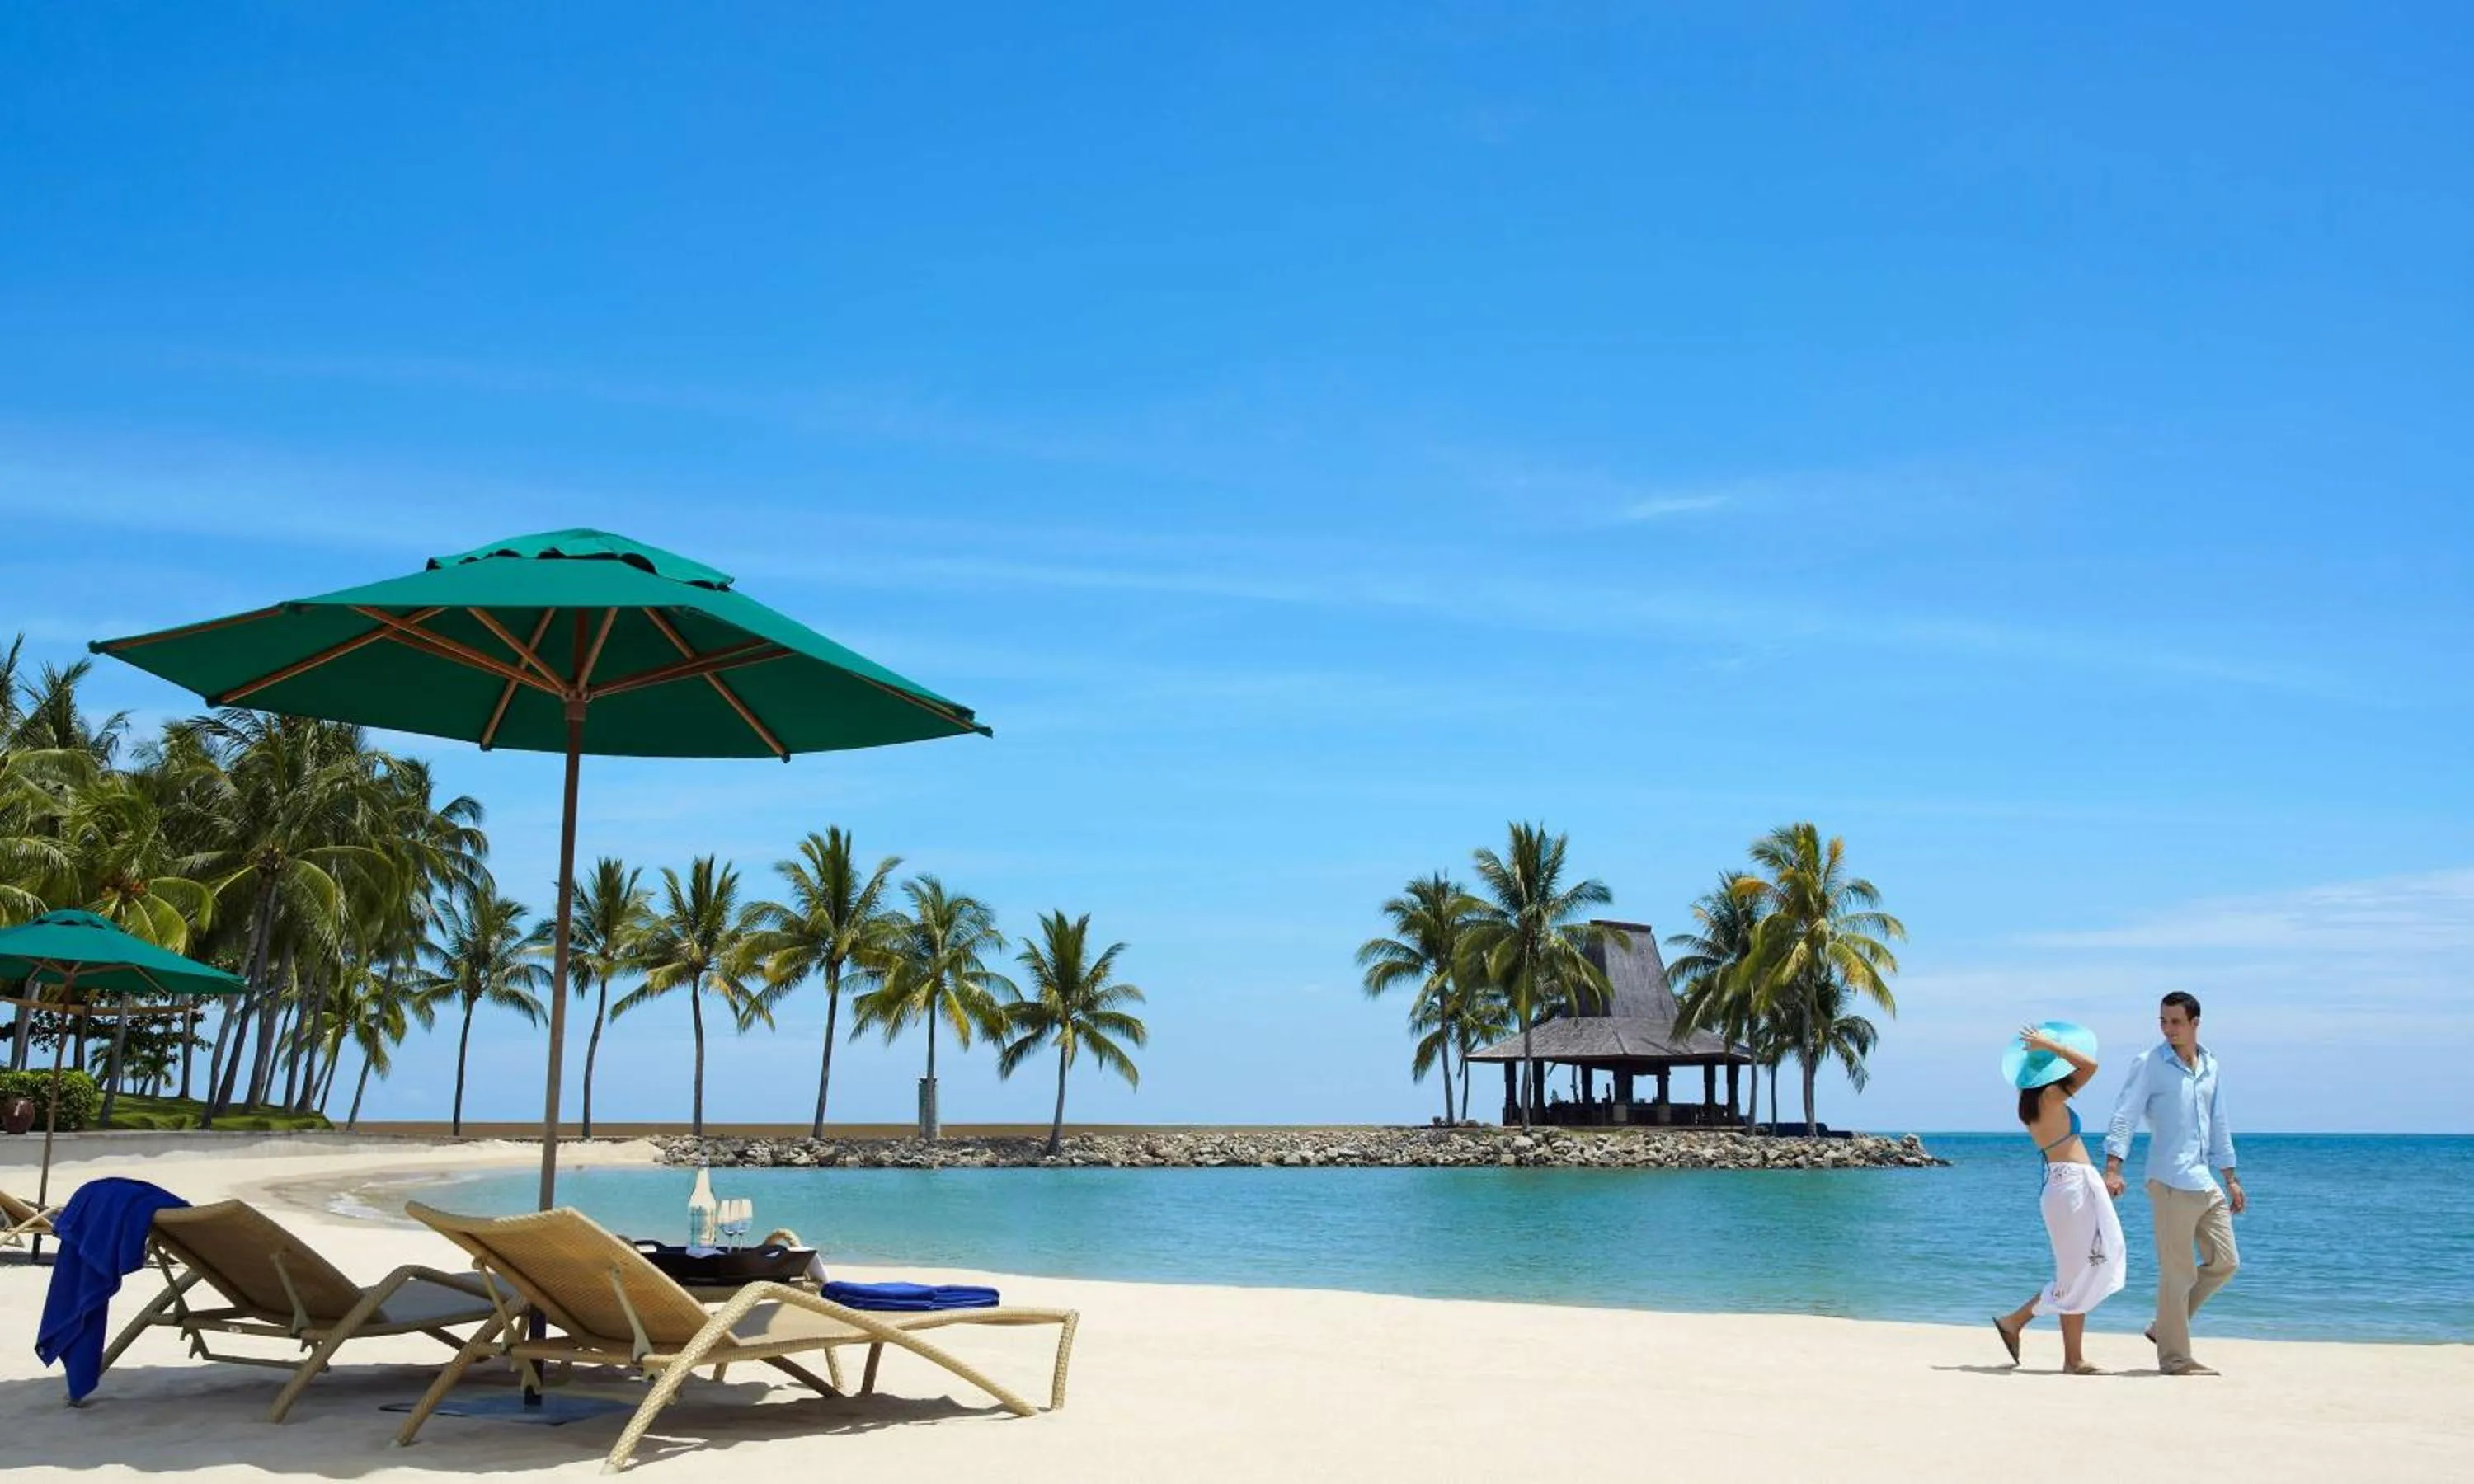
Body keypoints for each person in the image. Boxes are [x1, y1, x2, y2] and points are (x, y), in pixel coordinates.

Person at [2104, 991, 2241, 1376]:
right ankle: (2175, 1357)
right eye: (2163, 1021)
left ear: (2195, 1023)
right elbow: (2124, 1114)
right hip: (2168, 1181)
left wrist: (2230, 1178)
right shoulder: (2150, 1064)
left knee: (2226, 1262)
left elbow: (2219, 1123)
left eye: (2176, 1022)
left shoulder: (2211, 1065)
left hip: (2204, 1179)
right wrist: (2113, 1167)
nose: (2168, 1029)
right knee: (2177, 1272)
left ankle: (2164, 1327)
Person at [1992, 1022, 2123, 1374]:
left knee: (2080, 1268)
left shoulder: (2031, 1102)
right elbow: (2090, 1067)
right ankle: (2023, 1325)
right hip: (2071, 1185)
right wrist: (2054, 1045)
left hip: (2064, 1185)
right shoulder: (2050, 1095)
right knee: (2080, 1270)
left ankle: (2059, 1349)